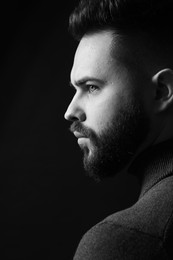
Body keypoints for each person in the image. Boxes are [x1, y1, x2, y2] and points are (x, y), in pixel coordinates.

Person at [64, 0, 173, 259]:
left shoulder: (123, 241)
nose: (70, 111)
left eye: (91, 87)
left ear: (161, 91)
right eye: (74, 90)